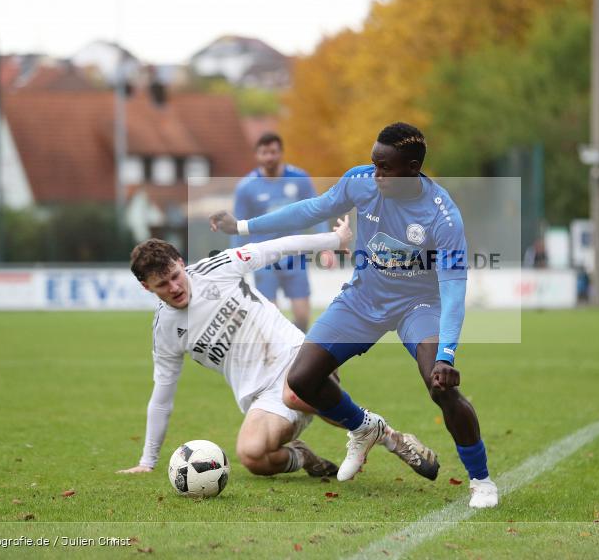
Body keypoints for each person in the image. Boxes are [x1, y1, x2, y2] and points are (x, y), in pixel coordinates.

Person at [210, 122, 497, 508]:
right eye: (374, 163)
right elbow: (311, 210)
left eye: (385, 168)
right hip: (363, 300)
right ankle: (364, 428)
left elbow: (453, 286)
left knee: (441, 386)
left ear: (412, 168)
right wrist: (244, 226)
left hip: (419, 306)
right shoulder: (360, 181)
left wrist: (446, 355)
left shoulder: (442, 217)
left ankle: (481, 481)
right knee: (301, 378)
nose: (374, 174)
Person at [117, 218, 438, 481]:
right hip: (260, 396)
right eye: (162, 285)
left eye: (175, 276)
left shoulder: (218, 269)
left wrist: (333, 239)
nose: (174, 288)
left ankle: (394, 440)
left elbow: (276, 248)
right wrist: (148, 460)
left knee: (296, 392)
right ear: (147, 287)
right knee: (253, 457)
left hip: (299, 355)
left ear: (181, 263)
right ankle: (304, 456)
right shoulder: (166, 331)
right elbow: (162, 396)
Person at [233, 132, 329, 332]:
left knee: (302, 316)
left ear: (281, 153)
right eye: (264, 152)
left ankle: (300, 357)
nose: (269, 157)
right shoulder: (246, 187)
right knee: (272, 319)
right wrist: (235, 260)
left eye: (273, 152)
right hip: (263, 257)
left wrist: (326, 245)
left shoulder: (300, 179)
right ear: (257, 155)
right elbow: (237, 227)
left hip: (294, 255)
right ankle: (281, 359)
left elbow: (318, 212)